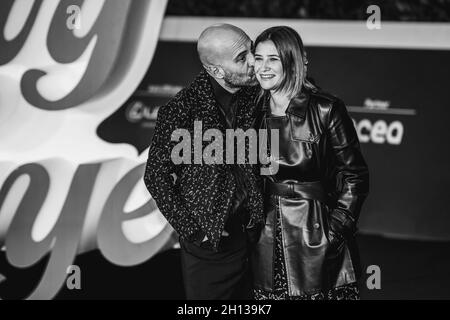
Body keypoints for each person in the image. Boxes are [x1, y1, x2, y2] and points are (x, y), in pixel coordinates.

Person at [143, 24, 264, 300]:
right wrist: (196, 232)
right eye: (241, 58)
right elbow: (156, 177)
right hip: (212, 245)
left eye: (251, 51)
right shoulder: (180, 110)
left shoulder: (258, 97)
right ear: (216, 70)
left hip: (257, 237)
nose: (252, 62)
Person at [251, 26, 370, 300]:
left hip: (317, 235)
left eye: (273, 59)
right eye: (258, 58)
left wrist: (336, 230)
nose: (263, 67)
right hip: (265, 240)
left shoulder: (326, 108)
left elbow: (356, 176)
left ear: (292, 61)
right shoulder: (251, 111)